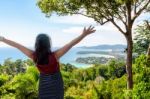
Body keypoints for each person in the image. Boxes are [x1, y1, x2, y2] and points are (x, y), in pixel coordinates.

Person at [0, 26, 96, 99]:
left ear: (37, 44)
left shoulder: (34, 56)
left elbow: (17, 45)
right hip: (56, 84)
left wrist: (2, 39)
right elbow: (71, 44)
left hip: (43, 85)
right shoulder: (55, 55)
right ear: (48, 44)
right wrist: (83, 34)